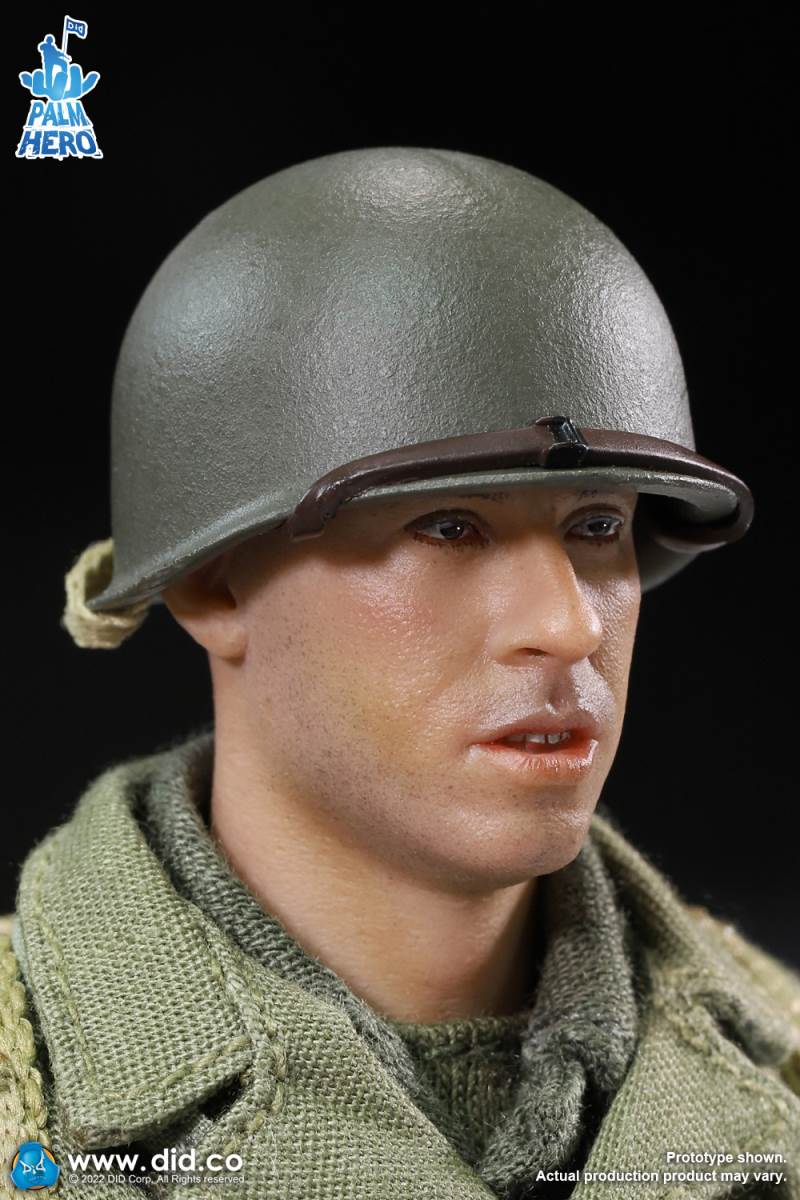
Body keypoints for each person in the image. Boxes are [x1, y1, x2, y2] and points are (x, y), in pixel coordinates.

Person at [3, 147, 798, 1199]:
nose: (567, 624)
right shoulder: (28, 1096)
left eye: (598, 527)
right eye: (450, 526)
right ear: (215, 584)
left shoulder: (779, 1060)